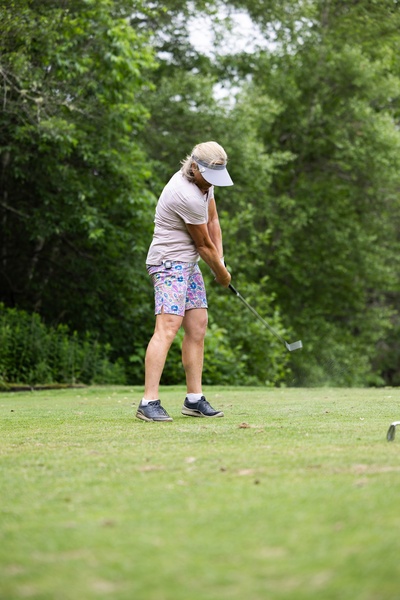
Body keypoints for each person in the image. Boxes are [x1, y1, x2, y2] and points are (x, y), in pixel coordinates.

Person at [136, 141, 233, 422]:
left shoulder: (205, 184)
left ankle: (194, 399)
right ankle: (148, 402)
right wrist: (221, 274)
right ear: (194, 167)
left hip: (188, 264)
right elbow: (202, 244)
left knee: (198, 325)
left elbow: (213, 221)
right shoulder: (185, 193)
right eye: (209, 176)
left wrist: (221, 262)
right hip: (168, 263)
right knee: (168, 327)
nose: (212, 183)